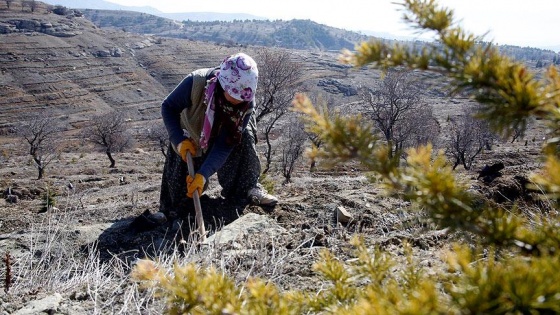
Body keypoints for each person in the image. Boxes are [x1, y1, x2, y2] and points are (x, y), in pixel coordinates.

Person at [159, 52, 278, 219]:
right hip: (191, 135)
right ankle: (172, 211)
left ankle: (247, 190)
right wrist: (178, 141)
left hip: (223, 136)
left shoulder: (246, 103)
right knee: (179, 198)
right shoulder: (196, 83)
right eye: (234, 94)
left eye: (242, 97)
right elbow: (168, 107)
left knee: (244, 136)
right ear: (223, 84)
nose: (238, 101)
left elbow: (224, 145)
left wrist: (203, 174)